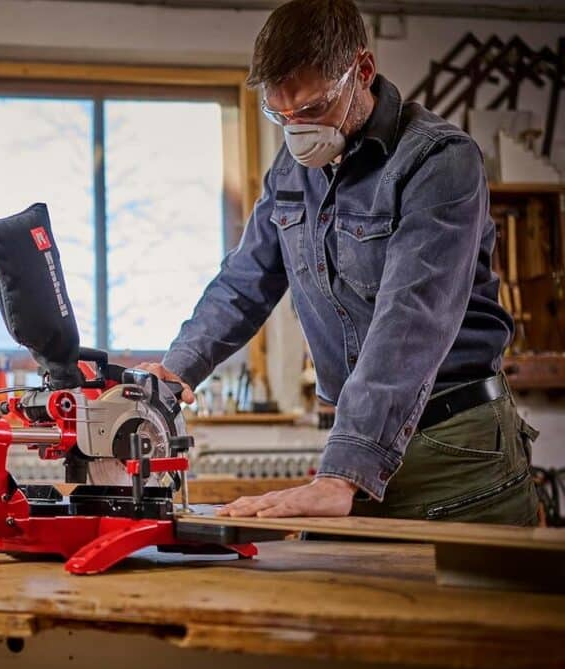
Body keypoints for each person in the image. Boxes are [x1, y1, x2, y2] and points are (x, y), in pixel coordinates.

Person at [140, 0, 540, 524]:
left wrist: (343, 472)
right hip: (362, 439)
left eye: (310, 110)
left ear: (363, 72)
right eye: (279, 115)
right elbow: (246, 279)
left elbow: (411, 318)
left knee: (463, 606)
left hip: (455, 446)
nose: (296, 129)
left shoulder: (438, 161)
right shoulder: (293, 167)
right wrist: (176, 370)